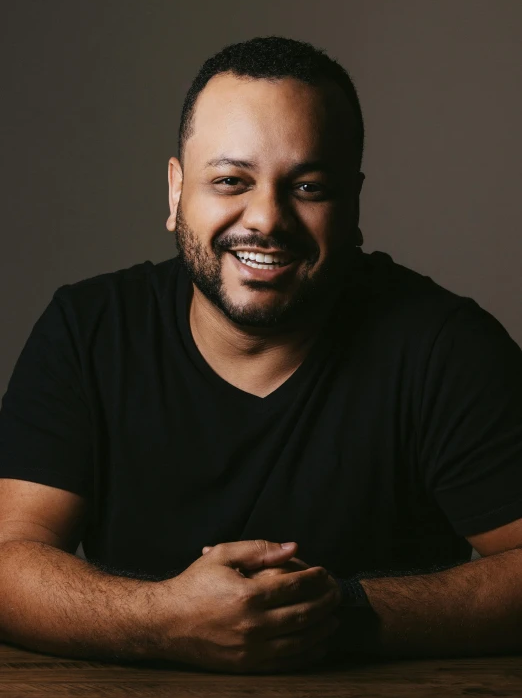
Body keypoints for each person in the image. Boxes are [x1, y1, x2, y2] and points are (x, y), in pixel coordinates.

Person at [0, 36, 521, 674]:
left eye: (308, 186)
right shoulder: (89, 330)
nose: (267, 219)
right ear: (175, 192)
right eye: (230, 181)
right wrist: (164, 620)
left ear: (353, 204)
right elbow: (8, 558)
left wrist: (328, 615)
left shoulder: (446, 347)